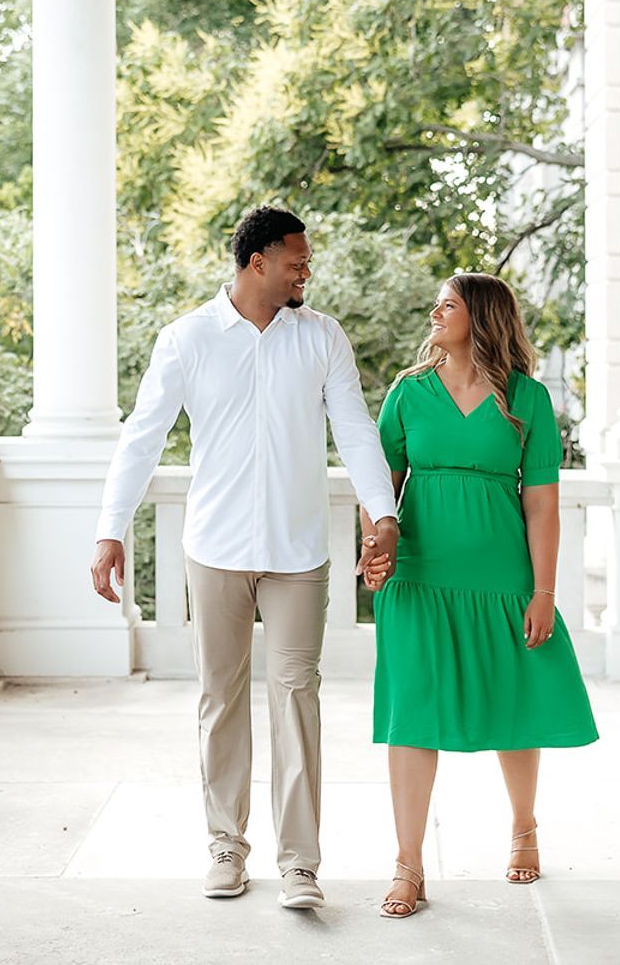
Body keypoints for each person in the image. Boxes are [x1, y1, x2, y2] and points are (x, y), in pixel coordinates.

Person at [89, 205, 402, 910]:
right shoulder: (187, 339)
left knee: (297, 698)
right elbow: (143, 438)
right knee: (220, 699)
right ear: (256, 262)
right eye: (296, 259)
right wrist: (112, 529)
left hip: (298, 552)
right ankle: (226, 846)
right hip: (217, 549)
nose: (306, 269)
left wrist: (383, 514)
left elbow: (354, 430)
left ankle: (300, 865)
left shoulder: (322, 337)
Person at [357, 272, 599, 919]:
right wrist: (375, 548)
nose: (435, 312)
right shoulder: (408, 394)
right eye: (436, 302)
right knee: (411, 712)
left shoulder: (528, 398)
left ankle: (523, 827)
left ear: (483, 316)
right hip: (418, 577)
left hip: (502, 578)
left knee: (514, 701)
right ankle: (408, 864)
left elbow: (543, 504)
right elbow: (378, 484)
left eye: (449, 304)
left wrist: (543, 590)